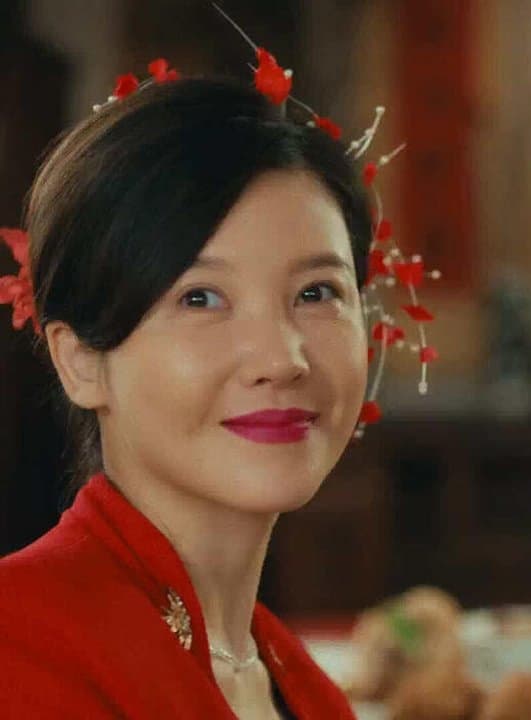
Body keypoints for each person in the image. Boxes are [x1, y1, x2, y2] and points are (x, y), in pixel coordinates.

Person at [0, 74, 375, 718]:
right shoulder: (21, 648)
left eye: (316, 293)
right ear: (80, 360)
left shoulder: (307, 689)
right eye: (200, 298)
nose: (282, 360)